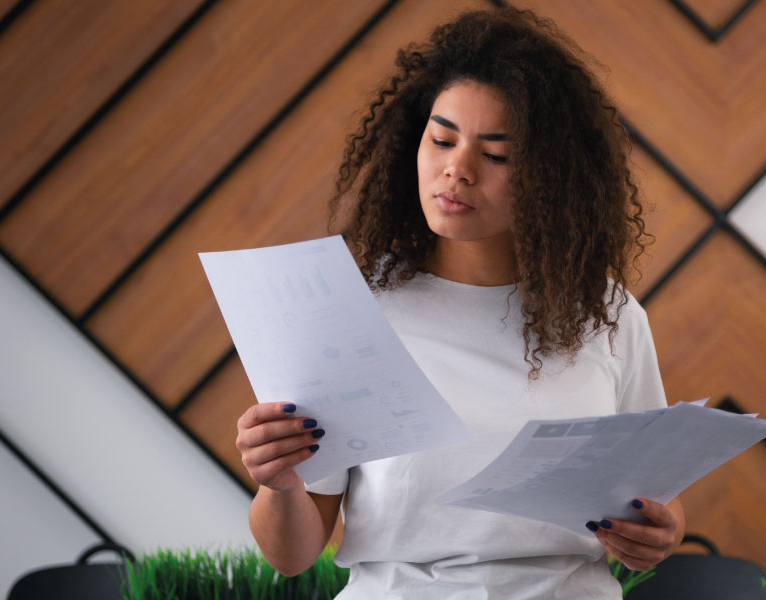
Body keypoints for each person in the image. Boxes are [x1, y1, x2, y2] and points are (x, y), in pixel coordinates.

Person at [234, 7, 684, 598]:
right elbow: (292, 556)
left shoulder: (609, 315)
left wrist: (660, 533)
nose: (457, 170)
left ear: (550, 179)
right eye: (441, 139)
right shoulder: (355, 315)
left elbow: (660, 507)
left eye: (496, 155)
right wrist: (280, 482)